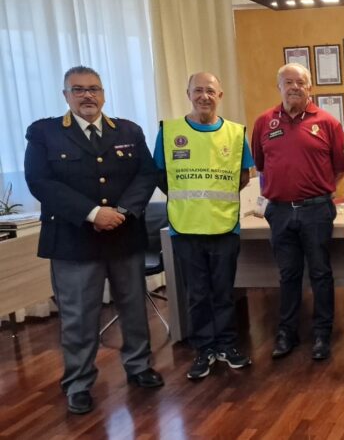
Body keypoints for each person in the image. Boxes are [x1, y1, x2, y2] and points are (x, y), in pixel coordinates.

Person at [24, 66, 163, 414]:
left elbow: (146, 175)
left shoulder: (128, 130)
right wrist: (92, 213)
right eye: (78, 89)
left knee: (133, 308)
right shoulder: (44, 133)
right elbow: (40, 182)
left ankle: (139, 366)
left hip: (124, 235)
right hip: (74, 240)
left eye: (94, 89)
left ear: (103, 94)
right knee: (79, 316)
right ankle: (78, 382)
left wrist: (123, 212)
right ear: (66, 95)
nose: (87, 95)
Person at [154, 72, 254, 380]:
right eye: (198, 90)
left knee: (224, 292)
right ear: (188, 94)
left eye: (210, 91)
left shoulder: (235, 133)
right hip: (186, 227)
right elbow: (161, 176)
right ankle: (204, 349)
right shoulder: (169, 132)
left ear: (220, 95)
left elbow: (243, 176)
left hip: (224, 226)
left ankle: (226, 345)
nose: (204, 96)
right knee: (197, 294)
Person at [251, 63, 344, 361]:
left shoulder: (328, 122)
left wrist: (319, 189)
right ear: (279, 86)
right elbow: (260, 164)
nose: (294, 87)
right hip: (279, 211)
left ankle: (322, 334)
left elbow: (341, 167)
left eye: (300, 82)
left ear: (310, 87)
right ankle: (286, 333)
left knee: (320, 273)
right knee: (288, 274)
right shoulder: (264, 122)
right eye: (288, 82)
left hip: (316, 210)